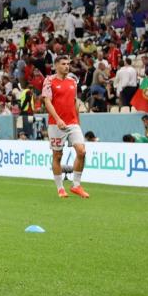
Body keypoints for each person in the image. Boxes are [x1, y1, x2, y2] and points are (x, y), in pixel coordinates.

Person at [41, 55, 89, 198]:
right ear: (56, 66)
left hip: (72, 123)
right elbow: (47, 102)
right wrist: (57, 119)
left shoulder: (72, 81)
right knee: (57, 155)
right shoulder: (49, 81)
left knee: (81, 151)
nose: (67, 66)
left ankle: (76, 185)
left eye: (68, 64)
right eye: (63, 64)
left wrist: (78, 121)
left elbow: (75, 102)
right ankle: (60, 188)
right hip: (56, 124)